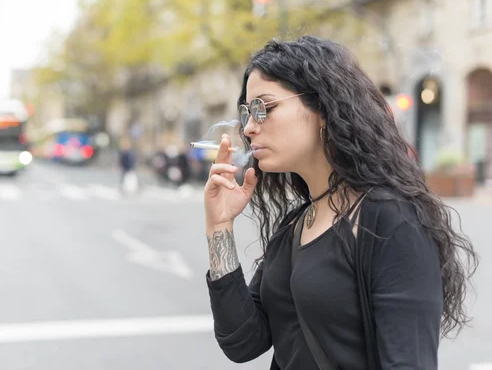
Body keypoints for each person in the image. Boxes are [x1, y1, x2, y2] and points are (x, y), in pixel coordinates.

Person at [203, 36, 478, 369]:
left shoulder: (391, 220)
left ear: (322, 108)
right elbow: (243, 341)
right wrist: (220, 228)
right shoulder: (296, 224)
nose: (248, 128)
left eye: (264, 108)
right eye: (248, 112)